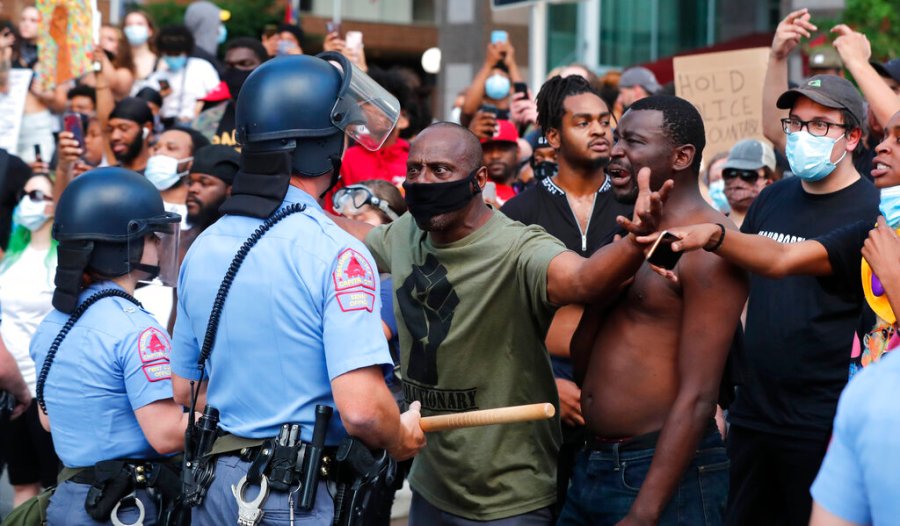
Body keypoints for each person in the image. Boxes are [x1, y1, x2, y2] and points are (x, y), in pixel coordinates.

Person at [334, 118, 671, 523]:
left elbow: (584, 279)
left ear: (478, 179)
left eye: (440, 170)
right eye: (414, 170)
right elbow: (351, 237)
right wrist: (288, 203)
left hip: (508, 497)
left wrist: (636, 244)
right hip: (431, 485)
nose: (422, 182)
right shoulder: (406, 232)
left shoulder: (518, 247)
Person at [170, 53, 425, 525]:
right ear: (321, 145)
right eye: (343, 135)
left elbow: (186, 387)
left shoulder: (204, 245)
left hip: (214, 488)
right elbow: (364, 411)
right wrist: (401, 435)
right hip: (290, 495)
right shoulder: (338, 251)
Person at [655, 71, 878, 526]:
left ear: (853, 136)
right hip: (753, 411)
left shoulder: (873, 211)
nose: (801, 135)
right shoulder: (772, 197)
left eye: (820, 125)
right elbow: (740, 289)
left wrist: (713, 234)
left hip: (824, 417)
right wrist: (719, 396)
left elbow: (779, 258)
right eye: (795, 124)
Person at [552, 96, 746, 526]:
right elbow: (584, 351)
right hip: (594, 463)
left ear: (681, 157)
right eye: (617, 138)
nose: (615, 149)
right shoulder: (627, 233)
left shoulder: (710, 247)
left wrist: (644, 511)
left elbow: (699, 396)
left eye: (633, 142)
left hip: (660, 475)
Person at [500, 73, 633, 512]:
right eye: (583, 122)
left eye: (604, 120)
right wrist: (546, 382)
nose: (599, 130)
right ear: (552, 136)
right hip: (538, 402)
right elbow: (501, 318)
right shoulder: (518, 214)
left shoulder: (635, 205)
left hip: (625, 396)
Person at [30, 167, 188, 526]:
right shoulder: (137, 329)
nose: (161, 244)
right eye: (152, 235)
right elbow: (165, 435)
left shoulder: (53, 322)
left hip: (70, 500)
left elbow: (49, 418)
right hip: (125, 508)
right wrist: (229, 412)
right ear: (124, 242)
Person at [0, 174, 59, 506]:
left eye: (37, 193)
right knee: (23, 487)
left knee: (54, 489)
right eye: (24, 193)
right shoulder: (10, 256)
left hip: (47, 391)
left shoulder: (64, 260)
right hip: (12, 390)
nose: (27, 200)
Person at [192, 37, 268, 145]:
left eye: (245, 64)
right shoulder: (207, 119)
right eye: (229, 65)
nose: (236, 71)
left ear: (263, 67)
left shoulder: (283, 116)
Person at [146, 25, 220, 125]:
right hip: (167, 125)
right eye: (169, 54)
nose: (173, 58)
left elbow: (218, 94)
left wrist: (203, 104)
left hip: (198, 123)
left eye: (177, 54)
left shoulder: (202, 67)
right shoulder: (159, 75)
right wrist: (160, 97)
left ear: (186, 51)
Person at [721, 139, 778, 227]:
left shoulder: (779, 227)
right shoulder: (712, 226)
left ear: (768, 183)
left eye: (747, 175)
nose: (737, 181)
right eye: (730, 173)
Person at [107, 96, 155, 172]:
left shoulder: (162, 177)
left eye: (124, 128)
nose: (114, 136)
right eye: (110, 130)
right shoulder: (109, 177)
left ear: (147, 128)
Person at [480, 119, 520, 205]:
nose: (495, 155)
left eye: (503, 148)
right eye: (488, 149)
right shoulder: (474, 193)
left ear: (518, 152)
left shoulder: (527, 191)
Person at [98, 24, 137, 99]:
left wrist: (101, 53)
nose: (103, 41)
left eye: (110, 39)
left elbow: (110, 83)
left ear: (121, 46)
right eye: (100, 37)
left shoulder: (125, 73)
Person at [123, 10, 158, 84]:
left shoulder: (161, 63)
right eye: (129, 24)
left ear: (150, 31)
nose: (134, 28)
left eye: (139, 24)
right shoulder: (118, 62)